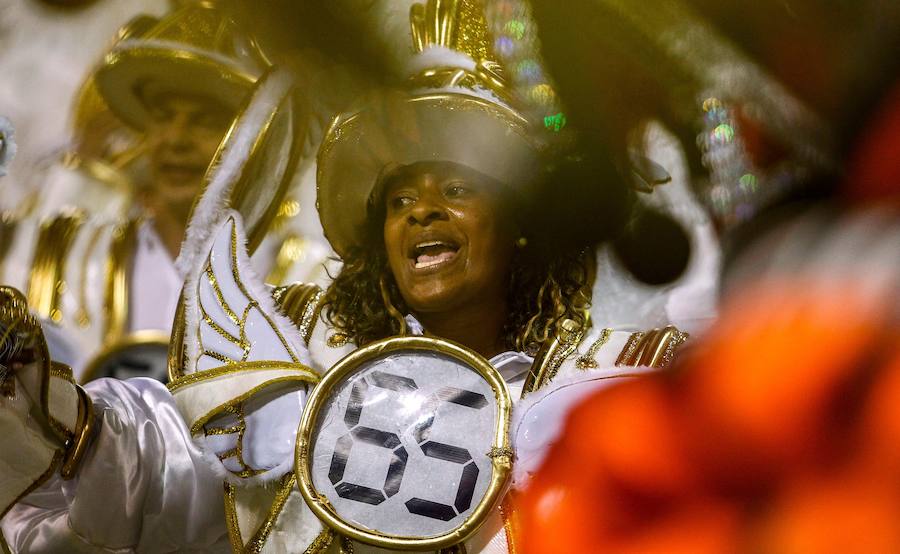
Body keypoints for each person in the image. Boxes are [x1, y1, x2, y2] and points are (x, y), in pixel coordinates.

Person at [0, 1, 691, 552]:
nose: (421, 210)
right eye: (398, 199)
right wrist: (41, 400)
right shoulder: (302, 356)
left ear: (521, 226)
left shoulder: (609, 382)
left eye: (455, 187)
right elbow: (163, 464)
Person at [0, 2, 329, 382]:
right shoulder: (68, 257)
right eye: (162, 115)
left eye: (205, 120)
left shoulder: (309, 278)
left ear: (256, 139)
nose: (175, 139)